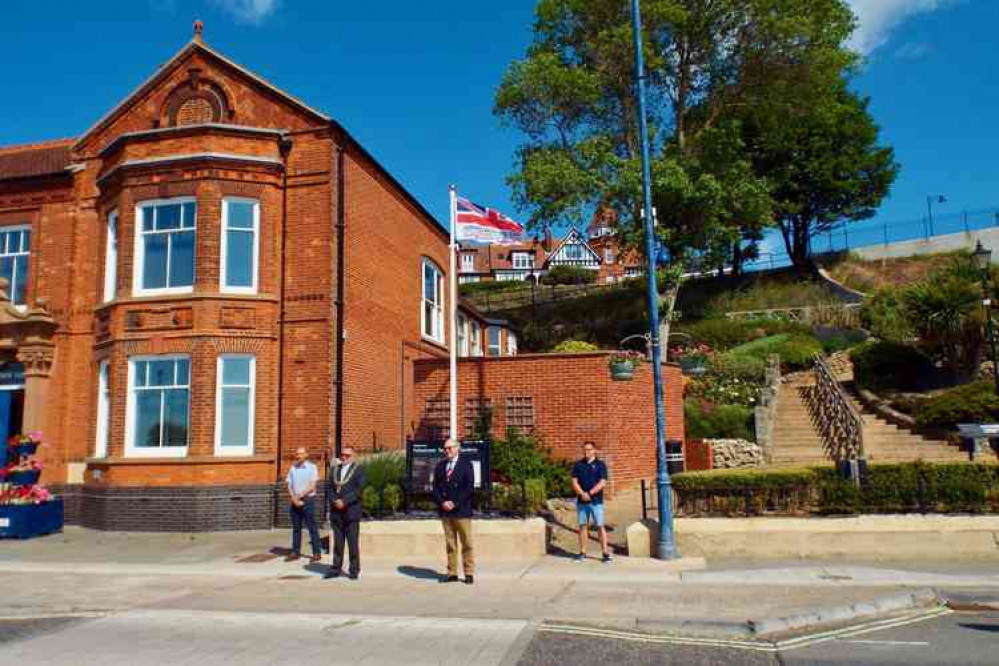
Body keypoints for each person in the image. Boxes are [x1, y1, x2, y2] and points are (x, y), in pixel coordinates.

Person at [432, 438, 475, 584]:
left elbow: (469, 488)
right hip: (446, 512)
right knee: (450, 544)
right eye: (445, 448)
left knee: (467, 543)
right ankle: (452, 573)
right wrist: (442, 502)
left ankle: (468, 573)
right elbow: (435, 488)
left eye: (450, 448)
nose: (447, 451)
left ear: (458, 448)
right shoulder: (440, 466)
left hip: (461, 511)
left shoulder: (466, 465)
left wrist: (455, 503)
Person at [324, 446, 365, 580]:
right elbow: (329, 487)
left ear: (353, 456)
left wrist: (345, 501)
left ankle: (354, 569)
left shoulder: (358, 470)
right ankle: (336, 568)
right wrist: (335, 500)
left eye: (347, 455)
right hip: (337, 511)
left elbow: (359, 490)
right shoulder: (335, 470)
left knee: (352, 543)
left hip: (351, 511)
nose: (344, 457)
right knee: (338, 542)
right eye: (342, 455)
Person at [571, 441, 611, 563]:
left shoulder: (600, 465)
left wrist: (590, 493)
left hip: (596, 501)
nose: (586, 452)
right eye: (585, 449)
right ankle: (583, 552)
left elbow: (602, 482)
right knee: (583, 526)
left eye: (589, 449)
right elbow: (574, 481)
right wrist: (582, 494)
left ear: (594, 450)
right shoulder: (578, 465)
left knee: (599, 526)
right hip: (582, 502)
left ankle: (605, 553)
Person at [285, 447, 322, 562]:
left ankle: (316, 553)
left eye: (300, 454)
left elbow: (312, 486)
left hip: (307, 500)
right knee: (296, 528)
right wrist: (293, 498)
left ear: (306, 455)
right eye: (296, 454)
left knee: (312, 527)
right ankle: (295, 552)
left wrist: (299, 496)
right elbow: (289, 485)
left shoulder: (312, 467)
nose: (298, 456)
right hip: (295, 501)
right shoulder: (293, 468)